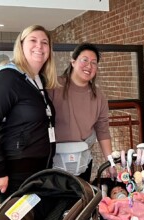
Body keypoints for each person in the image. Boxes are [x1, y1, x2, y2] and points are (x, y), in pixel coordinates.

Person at [0, 25, 57, 202]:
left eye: (45, 42)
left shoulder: (38, 80)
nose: (39, 46)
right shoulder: (7, 78)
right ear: (21, 46)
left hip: (41, 170)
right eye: (33, 40)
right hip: (17, 174)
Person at [49, 43, 114, 182]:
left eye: (94, 63)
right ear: (73, 61)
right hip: (53, 158)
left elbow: (103, 130)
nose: (89, 66)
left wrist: (111, 163)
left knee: (82, 201)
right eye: (84, 60)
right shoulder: (53, 86)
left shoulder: (99, 96)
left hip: (82, 159)